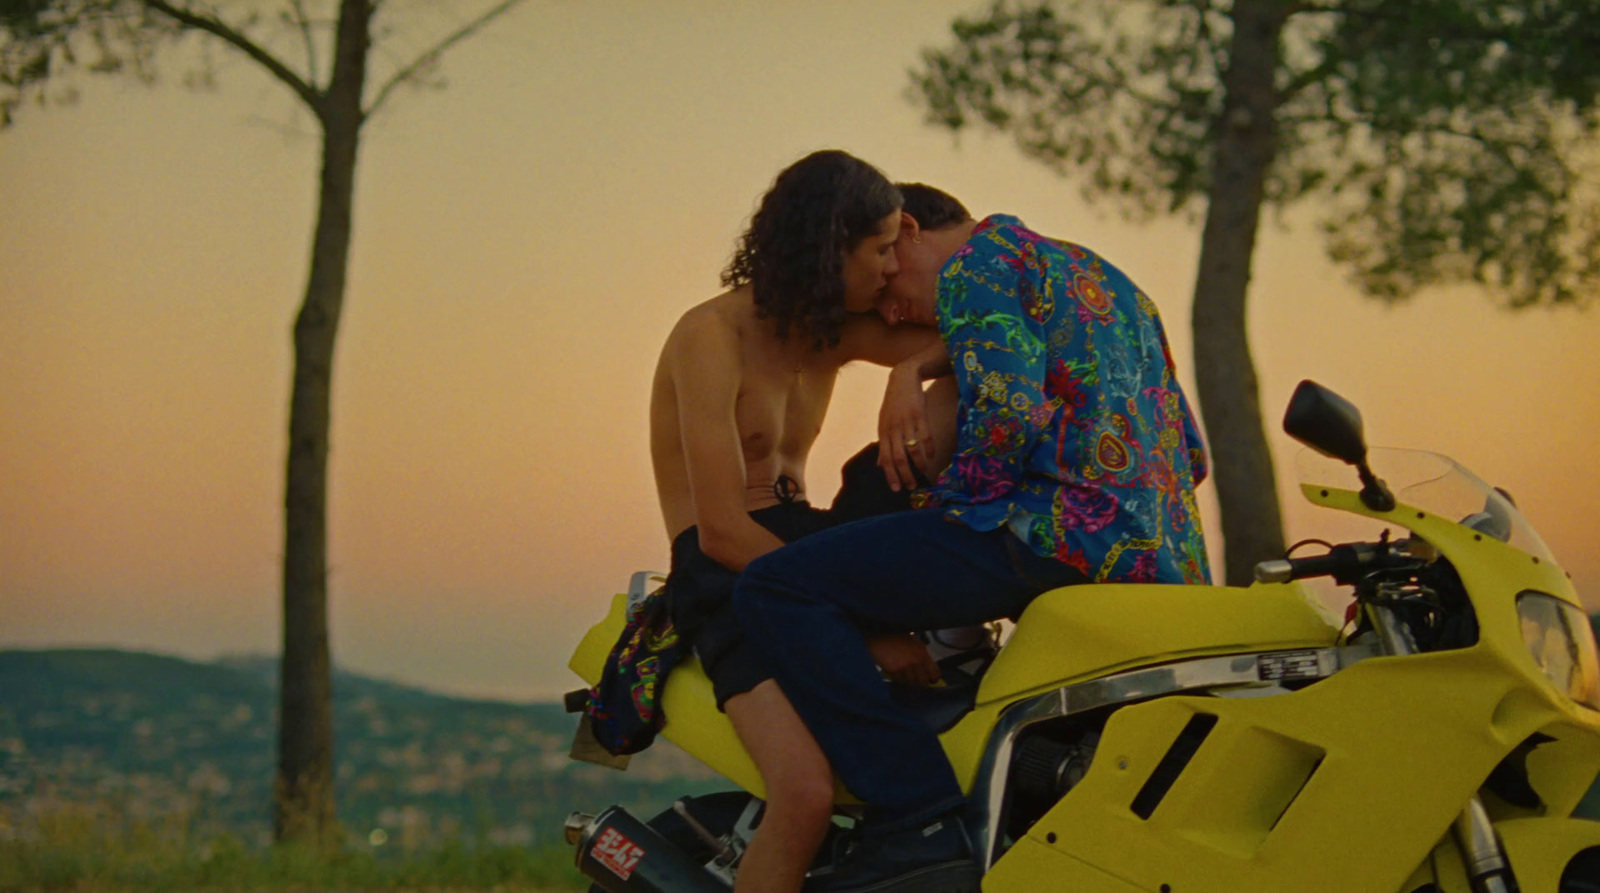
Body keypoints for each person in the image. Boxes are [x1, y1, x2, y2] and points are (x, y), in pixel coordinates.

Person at [733, 183, 1211, 893]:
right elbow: (1192, 453)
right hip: (1164, 563)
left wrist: (954, 508)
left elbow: (1011, 410)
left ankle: (913, 817)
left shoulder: (975, 268)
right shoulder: (1104, 278)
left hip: (1052, 534)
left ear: (910, 229)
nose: (891, 310)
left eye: (889, 287)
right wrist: (919, 364)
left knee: (776, 585)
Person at [645, 151, 957, 893]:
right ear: (830, 247)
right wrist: (860, 628)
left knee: (960, 399)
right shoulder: (710, 337)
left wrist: (914, 373)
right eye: (880, 248)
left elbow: (977, 345)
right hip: (727, 571)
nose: (891, 267)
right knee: (806, 793)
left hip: (808, 543)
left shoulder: (831, 334)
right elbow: (720, 528)